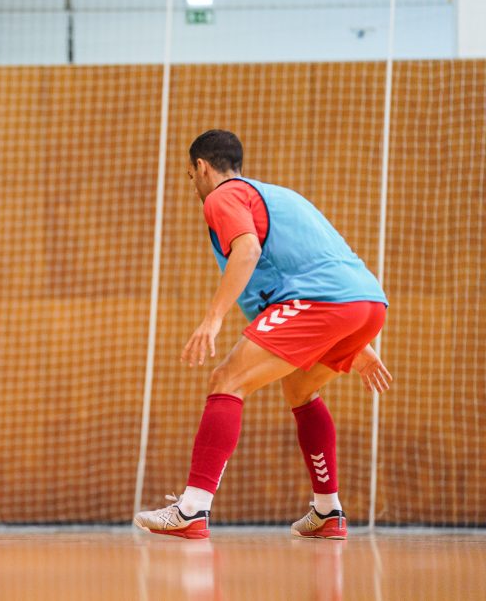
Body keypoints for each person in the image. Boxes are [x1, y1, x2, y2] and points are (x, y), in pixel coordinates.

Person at [134, 129, 392, 540]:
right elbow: (322, 259)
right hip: (365, 302)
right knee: (300, 390)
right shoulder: (280, 196)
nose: (194, 186)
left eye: (191, 176)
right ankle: (328, 510)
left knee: (226, 380)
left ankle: (192, 508)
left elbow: (248, 251)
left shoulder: (223, 196)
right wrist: (358, 336)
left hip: (322, 303)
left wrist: (213, 318)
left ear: (201, 167)